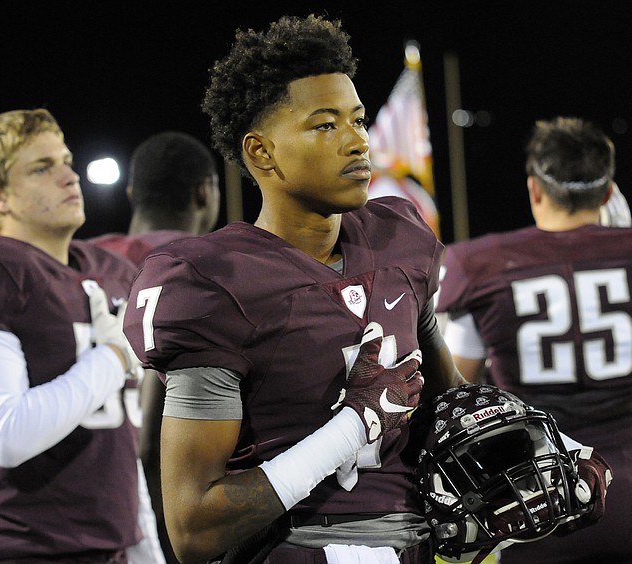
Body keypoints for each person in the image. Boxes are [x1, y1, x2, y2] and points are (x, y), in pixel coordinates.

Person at [120, 14, 469, 564]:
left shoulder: (400, 240)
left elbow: (450, 403)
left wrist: (550, 447)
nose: (357, 141)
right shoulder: (214, 283)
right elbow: (194, 528)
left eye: (358, 120)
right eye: (326, 125)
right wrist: (351, 428)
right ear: (262, 152)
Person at [436, 117, 632, 563]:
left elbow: (456, 388)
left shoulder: (482, 264)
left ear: (535, 189)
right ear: (609, 192)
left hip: (537, 493)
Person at [0, 109, 156, 563]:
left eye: (66, 162)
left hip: (112, 550)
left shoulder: (110, 272)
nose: (69, 177)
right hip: (21, 551)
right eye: (42, 168)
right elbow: (7, 433)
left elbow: (121, 443)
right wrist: (114, 358)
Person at [90, 130, 221, 564]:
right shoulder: (206, 265)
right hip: (162, 502)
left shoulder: (78, 260)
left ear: (132, 194)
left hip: (76, 492)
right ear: (204, 192)